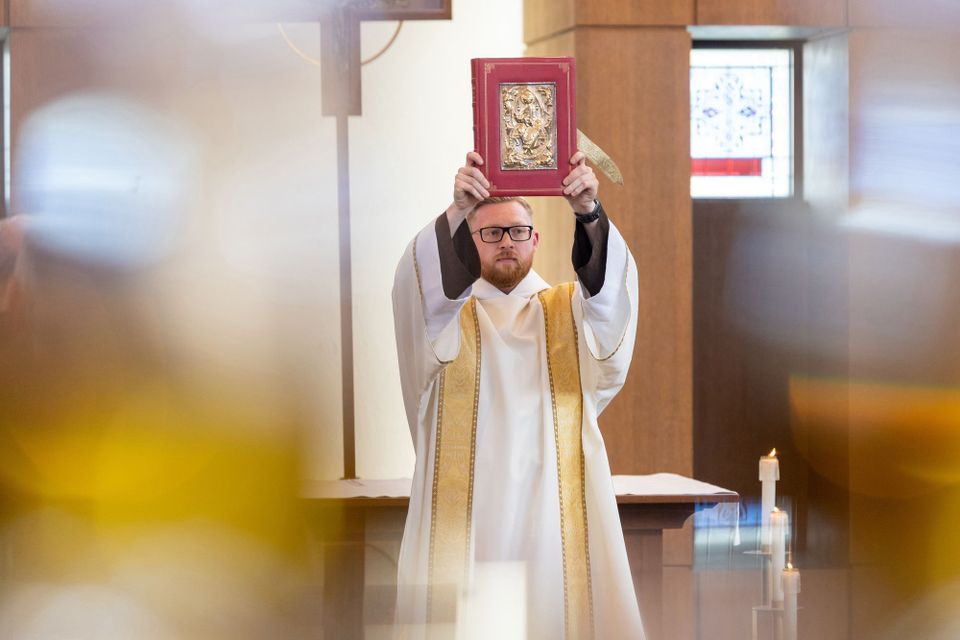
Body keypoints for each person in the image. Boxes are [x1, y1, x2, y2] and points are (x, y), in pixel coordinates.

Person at [392, 150, 644, 639]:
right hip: (468, 522)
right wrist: (456, 209)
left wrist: (588, 212)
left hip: (554, 514)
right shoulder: (444, 320)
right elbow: (415, 287)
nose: (506, 243)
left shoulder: (571, 310)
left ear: (536, 238)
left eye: (517, 231)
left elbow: (612, 310)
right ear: (470, 239)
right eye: (490, 232)